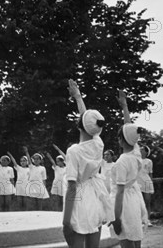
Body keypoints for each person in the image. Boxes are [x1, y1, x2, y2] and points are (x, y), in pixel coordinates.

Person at [63, 79, 110, 248]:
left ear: (79, 126)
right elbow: (88, 122)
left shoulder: (74, 151)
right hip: (95, 198)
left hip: (78, 202)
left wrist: (66, 220)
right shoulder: (98, 144)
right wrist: (78, 97)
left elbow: (72, 187)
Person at [109, 90, 147, 248]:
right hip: (135, 198)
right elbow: (129, 128)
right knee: (135, 237)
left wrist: (116, 218)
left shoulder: (123, 161)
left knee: (126, 240)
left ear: (120, 140)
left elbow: (120, 192)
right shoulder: (136, 152)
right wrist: (124, 106)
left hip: (124, 203)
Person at [137, 145, 154, 225]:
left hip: (146, 182)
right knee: (139, 202)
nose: (140, 150)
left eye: (142, 149)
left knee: (147, 201)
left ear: (146, 152)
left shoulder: (149, 161)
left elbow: (150, 173)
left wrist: (150, 183)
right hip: (137, 182)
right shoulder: (136, 159)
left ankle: (147, 219)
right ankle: (140, 219)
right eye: (140, 149)